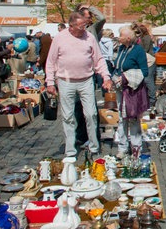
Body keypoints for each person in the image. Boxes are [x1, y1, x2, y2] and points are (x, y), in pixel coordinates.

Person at [45, 12, 112, 157]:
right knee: (68, 116)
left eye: (85, 26)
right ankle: (70, 150)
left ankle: (94, 147)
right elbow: (51, 61)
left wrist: (106, 77)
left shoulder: (89, 37)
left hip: (86, 80)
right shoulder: (60, 38)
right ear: (71, 26)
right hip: (65, 81)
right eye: (81, 26)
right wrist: (50, 82)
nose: (84, 29)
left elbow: (99, 59)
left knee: (91, 114)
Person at [113, 26, 149, 159]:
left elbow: (144, 71)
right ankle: (122, 148)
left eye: (121, 35)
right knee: (122, 119)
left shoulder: (138, 51)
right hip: (120, 88)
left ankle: (136, 148)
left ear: (128, 38)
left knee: (133, 118)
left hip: (133, 89)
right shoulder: (121, 48)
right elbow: (117, 66)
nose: (119, 37)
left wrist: (128, 77)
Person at [136, 23, 157, 110]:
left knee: (148, 80)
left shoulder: (146, 38)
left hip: (149, 60)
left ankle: (152, 100)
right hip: (144, 60)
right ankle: (146, 99)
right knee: (145, 80)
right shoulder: (141, 38)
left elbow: (146, 49)